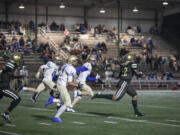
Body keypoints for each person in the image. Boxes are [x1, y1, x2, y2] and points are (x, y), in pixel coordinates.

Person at [51, 55, 83, 123]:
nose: (76, 62)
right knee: (68, 102)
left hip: (59, 84)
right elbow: (70, 82)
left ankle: (54, 100)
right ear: (71, 61)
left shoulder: (65, 65)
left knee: (63, 101)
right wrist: (77, 85)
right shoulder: (71, 68)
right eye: (75, 60)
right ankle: (56, 117)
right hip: (62, 86)